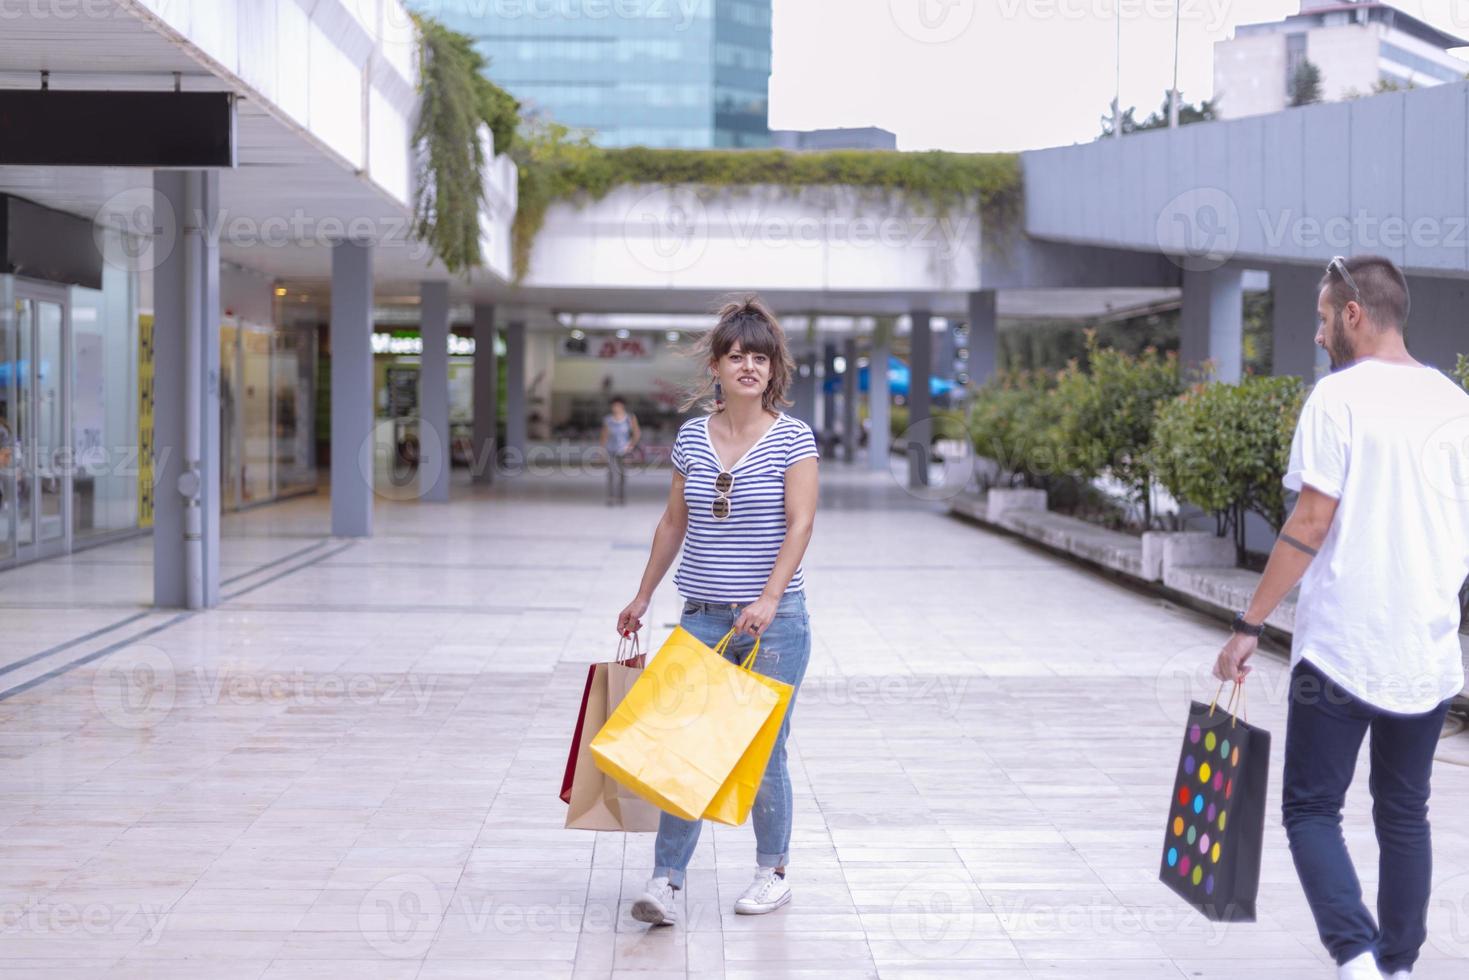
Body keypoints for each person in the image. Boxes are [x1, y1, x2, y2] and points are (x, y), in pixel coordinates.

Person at [1211, 255, 1468, 980]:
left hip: (1339, 649)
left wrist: (1247, 624)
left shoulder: (1337, 399)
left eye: (1323, 318)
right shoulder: (1456, 405)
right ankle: (1397, 969)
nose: (1319, 332)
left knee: (1310, 810)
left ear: (1353, 314)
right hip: (1423, 652)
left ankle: (1355, 960)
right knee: (1402, 814)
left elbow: (1311, 520)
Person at [615, 296, 819, 926]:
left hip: (775, 625)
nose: (749, 367)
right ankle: (666, 881)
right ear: (718, 368)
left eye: (760, 357)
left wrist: (769, 597)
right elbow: (673, 521)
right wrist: (644, 592)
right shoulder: (692, 438)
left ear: (773, 368)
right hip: (702, 615)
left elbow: (801, 522)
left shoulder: (793, 436)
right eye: (737, 357)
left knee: (763, 751)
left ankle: (772, 872)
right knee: (688, 748)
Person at [599, 396, 640, 506]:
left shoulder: (629, 418)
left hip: (624, 451)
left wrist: (631, 446)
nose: (615, 408)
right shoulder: (608, 420)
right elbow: (604, 435)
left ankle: (621, 497)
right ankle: (611, 497)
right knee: (611, 474)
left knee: (622, 474)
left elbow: (636, 434)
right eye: (613, 406)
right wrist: (601, 450)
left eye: (617, 405)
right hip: (611, 450)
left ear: (622, 406)